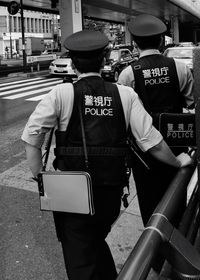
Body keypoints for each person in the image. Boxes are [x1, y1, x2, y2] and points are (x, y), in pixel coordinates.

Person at [21, 30, 193, 280]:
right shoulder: (124, 94)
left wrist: (40, 178)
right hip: (111, 192)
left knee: (80, 257)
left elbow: (32, 138)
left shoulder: (61, 94)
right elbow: (151, 141)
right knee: (93, 242)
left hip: (72, 191)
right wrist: (177, 161)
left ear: (72, 63)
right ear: (103, 60)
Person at [118, 14, 195, 227]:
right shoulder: (179, 68)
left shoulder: (127, 75)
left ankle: (153, 243)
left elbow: (123, 118)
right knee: (176, 190)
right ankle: (178, 232)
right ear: (162, 41)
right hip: (176, 142)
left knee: (149, 198)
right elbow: (191, 105)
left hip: (143, 152)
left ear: (134, 43)